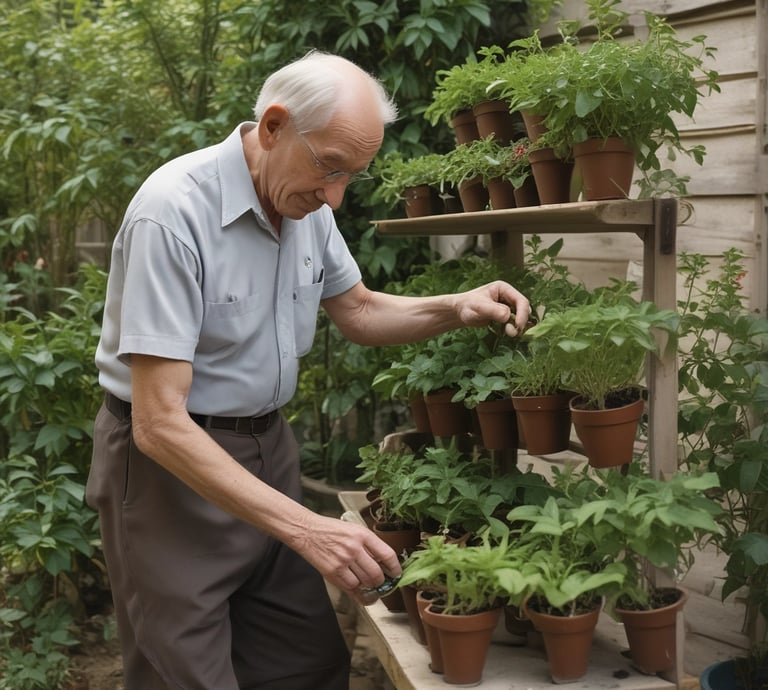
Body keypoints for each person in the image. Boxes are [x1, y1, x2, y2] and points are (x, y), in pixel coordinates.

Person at [85, 50, 531, 690]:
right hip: (169, 477)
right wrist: (311, 529)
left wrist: (457, 306)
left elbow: (359, 308)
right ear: (272, 127)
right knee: (184, 675)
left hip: (268, 451)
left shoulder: (307, 206)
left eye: (351, 176)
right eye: (328, 169)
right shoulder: (173, 213)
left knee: (308, 667)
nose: (335, 197)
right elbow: (159, 424)